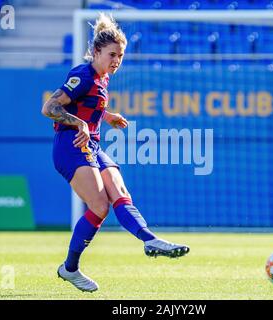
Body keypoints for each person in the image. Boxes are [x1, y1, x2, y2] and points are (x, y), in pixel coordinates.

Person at [41, 13, 189, 293]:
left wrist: (105, 116)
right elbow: (49, 108)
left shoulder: (102, 79)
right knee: (99, 206)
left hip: (92, 145)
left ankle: (149, 239)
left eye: (120, 55)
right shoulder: (82, 75)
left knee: (119, 190)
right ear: (96, 51)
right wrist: (81, 123)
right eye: (112, 54)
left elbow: (85, 105)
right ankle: (69, 268)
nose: (116, 61)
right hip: (70, 146)